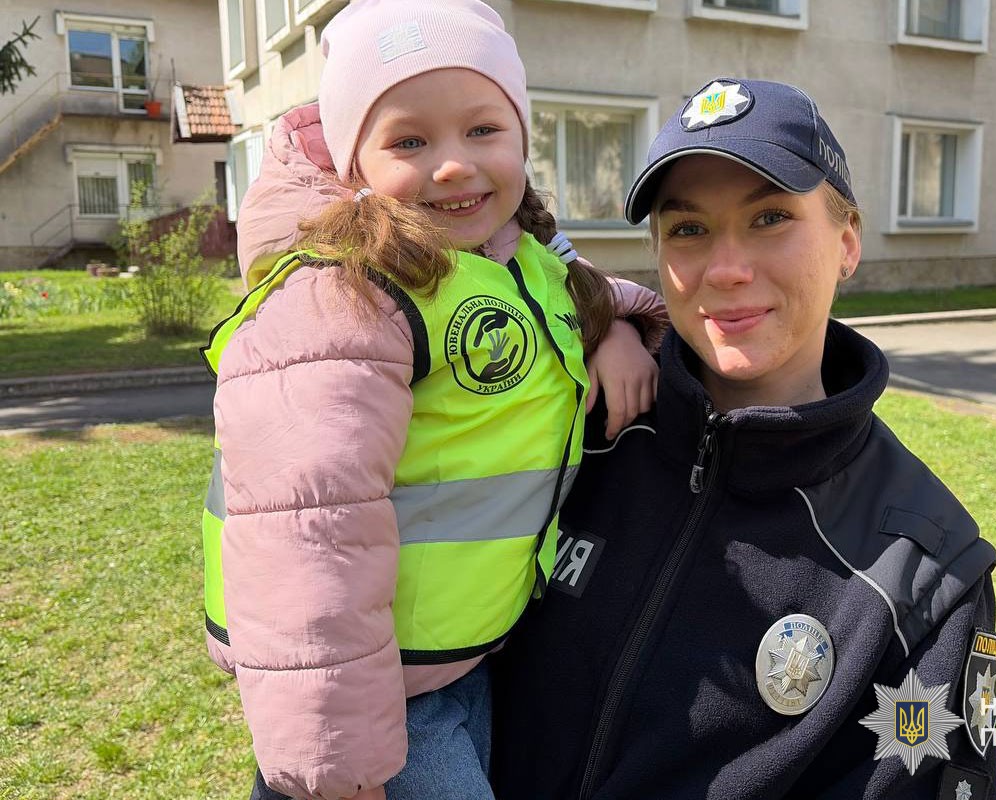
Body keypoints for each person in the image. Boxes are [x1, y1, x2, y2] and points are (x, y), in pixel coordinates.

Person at [198, 2, 665, 799]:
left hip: (459, 657)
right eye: (409, 142)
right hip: (380, 696)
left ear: (522, 138)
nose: (453, 165)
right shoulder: (343, 298)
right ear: (355, 164)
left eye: (483, 129)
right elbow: (305, 536)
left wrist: (613, 326)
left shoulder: (509, 257)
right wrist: (338, 761)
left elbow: (572, 289)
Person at [490, 78, 996, 799]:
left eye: (769, 218)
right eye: (688, 229)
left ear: (847, 242)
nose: (726, 270)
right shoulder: (574, 430)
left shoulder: (924, 573)